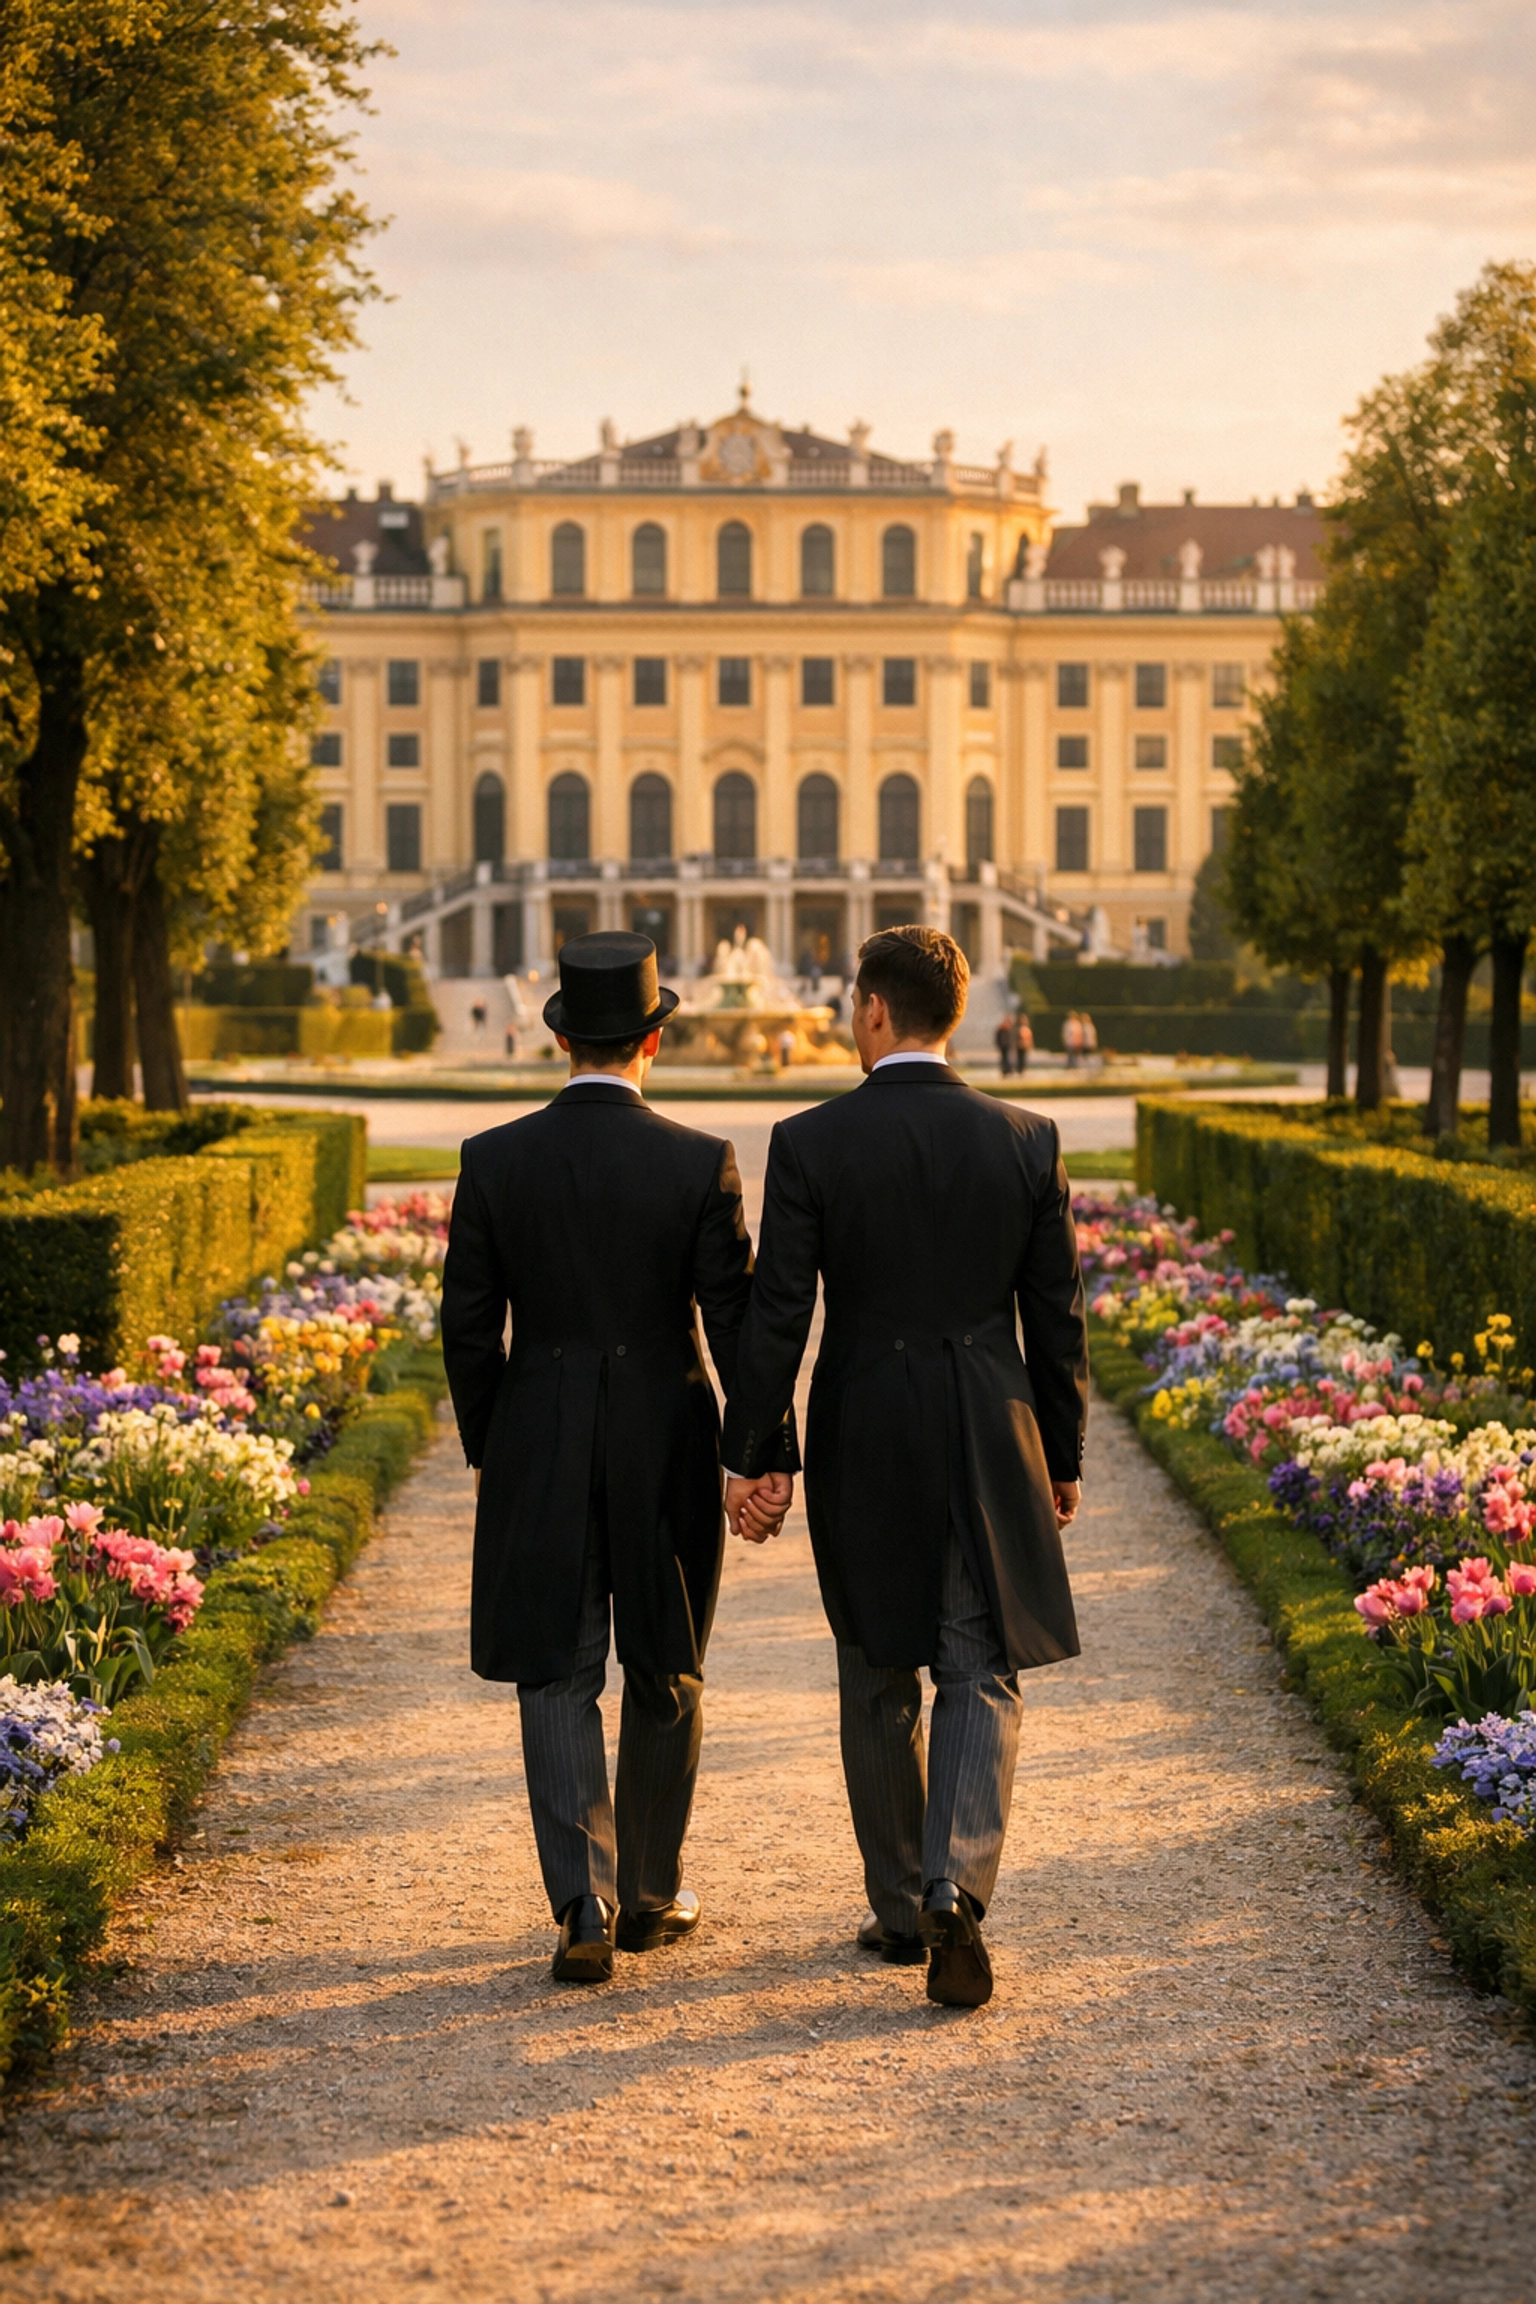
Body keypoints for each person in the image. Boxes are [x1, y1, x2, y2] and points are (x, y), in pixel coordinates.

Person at [722, 926, 1087, 2010]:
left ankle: (897, 1906)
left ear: (877, 1013)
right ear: (956, 1015)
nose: (846, 1019)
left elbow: (779, 1315)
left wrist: (758, 1454)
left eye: (850, 1004)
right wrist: (1058, 1456)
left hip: (866, 1418)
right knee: (977, 1661)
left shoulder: (812, 1140)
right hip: (987, 1417)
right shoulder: (1026, 1134)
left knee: (878, 1660)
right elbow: (1056, 1320)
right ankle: (954, 1889)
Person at [442, 932, 794, 1987]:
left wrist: (493, 1441)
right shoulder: (697, 1159)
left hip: (538, 1424)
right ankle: (647, 1893)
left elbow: (467, 1327)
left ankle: (580, 1905)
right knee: (666, 1659)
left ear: (560, 1040)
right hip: (666, 1428)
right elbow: (735, 1323)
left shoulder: (494, 1158)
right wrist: (759, 1455)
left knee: (554, 1668)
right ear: (654, 1039)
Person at [994, 1013, 1016, 1078]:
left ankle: (1007, 1070)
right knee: (1005, 1058)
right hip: (1005, 1045)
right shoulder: (1005, 1028)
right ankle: (1007, 1070)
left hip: (1005, 1045)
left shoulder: (1006, 1028)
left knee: (1006, 1058)